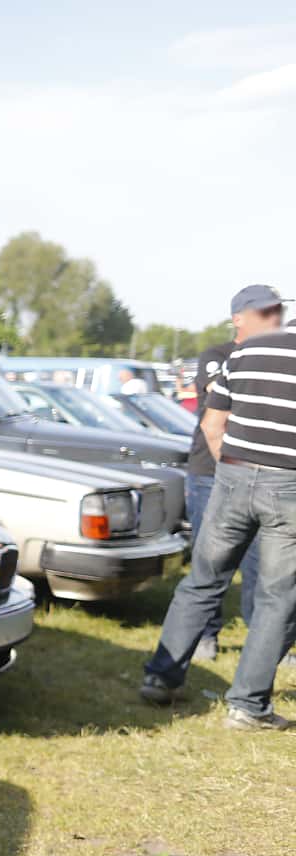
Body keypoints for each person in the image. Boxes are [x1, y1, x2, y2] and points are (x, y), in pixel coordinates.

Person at [140, 284, 296, 728]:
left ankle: (161, 678)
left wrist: (232, 470)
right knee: (277, 597)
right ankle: (247, 706)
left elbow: (213, 423)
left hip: (231, 477)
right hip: (288, 486)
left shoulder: (244, 353)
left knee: (203, 582)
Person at [180, 286, 285, 659]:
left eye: (277, 311)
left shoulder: (280, 356)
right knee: (210, 563)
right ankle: (205, 636)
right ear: (238, 318)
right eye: (265, 312)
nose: (275, 318)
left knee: (264, 565)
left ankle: (263, 642)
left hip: (262, 478)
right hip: (212, 473)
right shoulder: (218, 356)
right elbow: (220, 411)